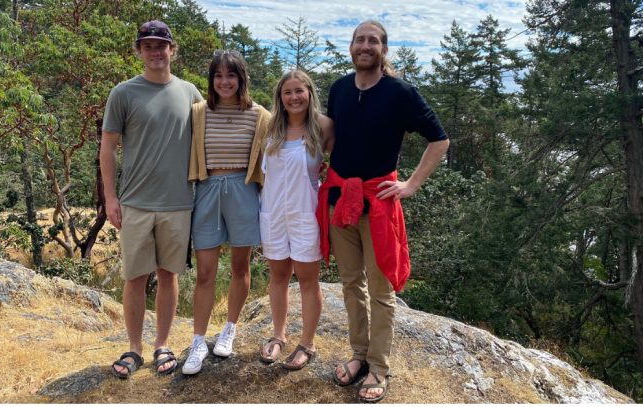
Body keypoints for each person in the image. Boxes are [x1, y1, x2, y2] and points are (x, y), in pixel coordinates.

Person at [318, 21, 450, 402]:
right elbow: (334, 136)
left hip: (378, 203)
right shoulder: (340, 88)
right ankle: (358, 356)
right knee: (350, 283)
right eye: (359, 40)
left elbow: (439, 140)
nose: (365, 46)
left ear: (383, 50)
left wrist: (411, 185)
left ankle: (378, 367)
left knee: (380, 289)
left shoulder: (400, 93)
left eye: (372, 41)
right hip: (341, 200)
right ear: (351, 47)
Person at [101, 20, 203, 379]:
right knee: (134, 278)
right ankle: (134, 348)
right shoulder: (124, 93)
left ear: (172, 50)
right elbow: (108, 148)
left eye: (162, 45)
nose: (155, 51)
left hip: (179, 202)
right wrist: (110, 197)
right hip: (135, 202)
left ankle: (162, 344)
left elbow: (212, 137)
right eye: (148, 46)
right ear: (139, 51)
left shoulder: (191, 93)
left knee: (168, 275)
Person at [182, 50, 271, 375]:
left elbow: (288, 138)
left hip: (244, 192)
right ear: (211, 81)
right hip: (207, 191)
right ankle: (197, 341)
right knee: (205, 272)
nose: (224, 81)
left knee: (239, 265)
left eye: (230, 75)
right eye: (218, 75)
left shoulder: (260, 115)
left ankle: (229, 329)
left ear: (241, 78)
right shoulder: (199, 112)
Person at [258, 70, 334, 370]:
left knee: (306, 280)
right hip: (273, 212)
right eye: (287, 92)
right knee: (278, 277)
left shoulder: (323, 126)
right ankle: (278, 336)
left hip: (306, 213)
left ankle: (307, 342)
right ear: (280, 97)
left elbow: (344, 162)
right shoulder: (271, 128)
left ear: (310, 93)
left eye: (299, 91)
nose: (293, 97)